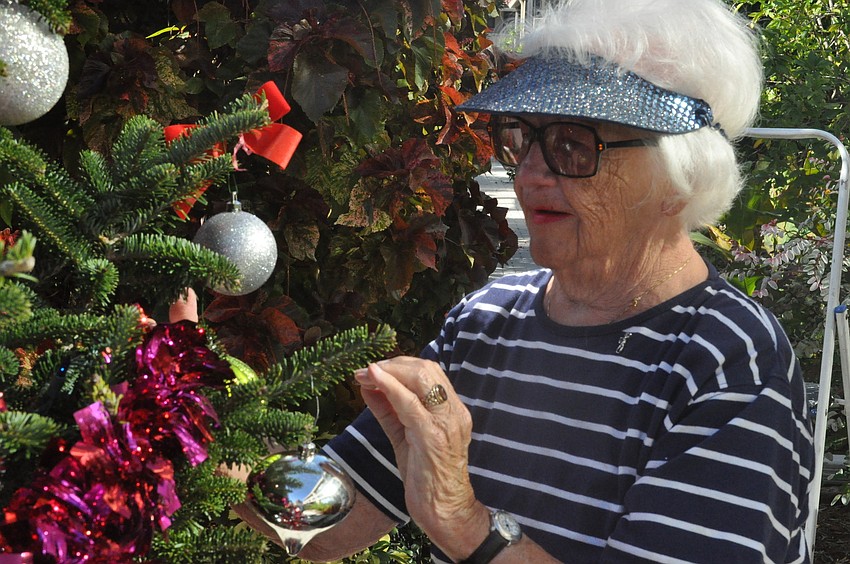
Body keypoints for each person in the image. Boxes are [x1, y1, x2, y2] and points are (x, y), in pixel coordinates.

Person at [232, 0, 816, 561]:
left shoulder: (730, 361)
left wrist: (465, 526)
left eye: (573, 144)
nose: (529, 174)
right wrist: (179, 407)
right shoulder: (488, 323)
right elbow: (326, 528)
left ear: (679, 177)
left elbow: (453, 521)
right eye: (522, 137)